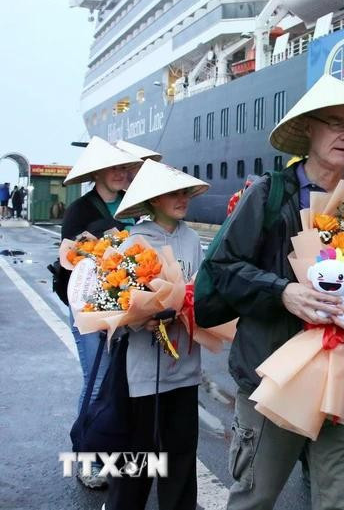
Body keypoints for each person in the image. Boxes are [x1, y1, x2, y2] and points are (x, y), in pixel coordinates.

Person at [199, 74, 344, 510]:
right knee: (254, 499)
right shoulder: (269, 195)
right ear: (309, 129)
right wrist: (282, 292)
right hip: (273, 375)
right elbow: (222, 267)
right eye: (336, 124)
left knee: (340, 502)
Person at [105, 159, 208, 510]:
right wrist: (139, 320)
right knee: (137, 458)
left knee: (181, 455)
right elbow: (112, 304)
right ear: (152, 200)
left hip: (186, 367)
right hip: (145, 371)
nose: (182, 198)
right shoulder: (133, 242)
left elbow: (200, 287)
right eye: (172, 193)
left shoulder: (192, 239)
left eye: (185, 192)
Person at [61, 137, 142, 489]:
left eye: (125, 167)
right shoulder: (80, 210)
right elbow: (70, 265)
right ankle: (86, 458)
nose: (122, 173)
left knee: (121, 383)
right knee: (96, 382)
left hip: (128, 308)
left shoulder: (133, 204)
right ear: (97, 173)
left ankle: (116, 453)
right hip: (90, 308)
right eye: (115, 168)